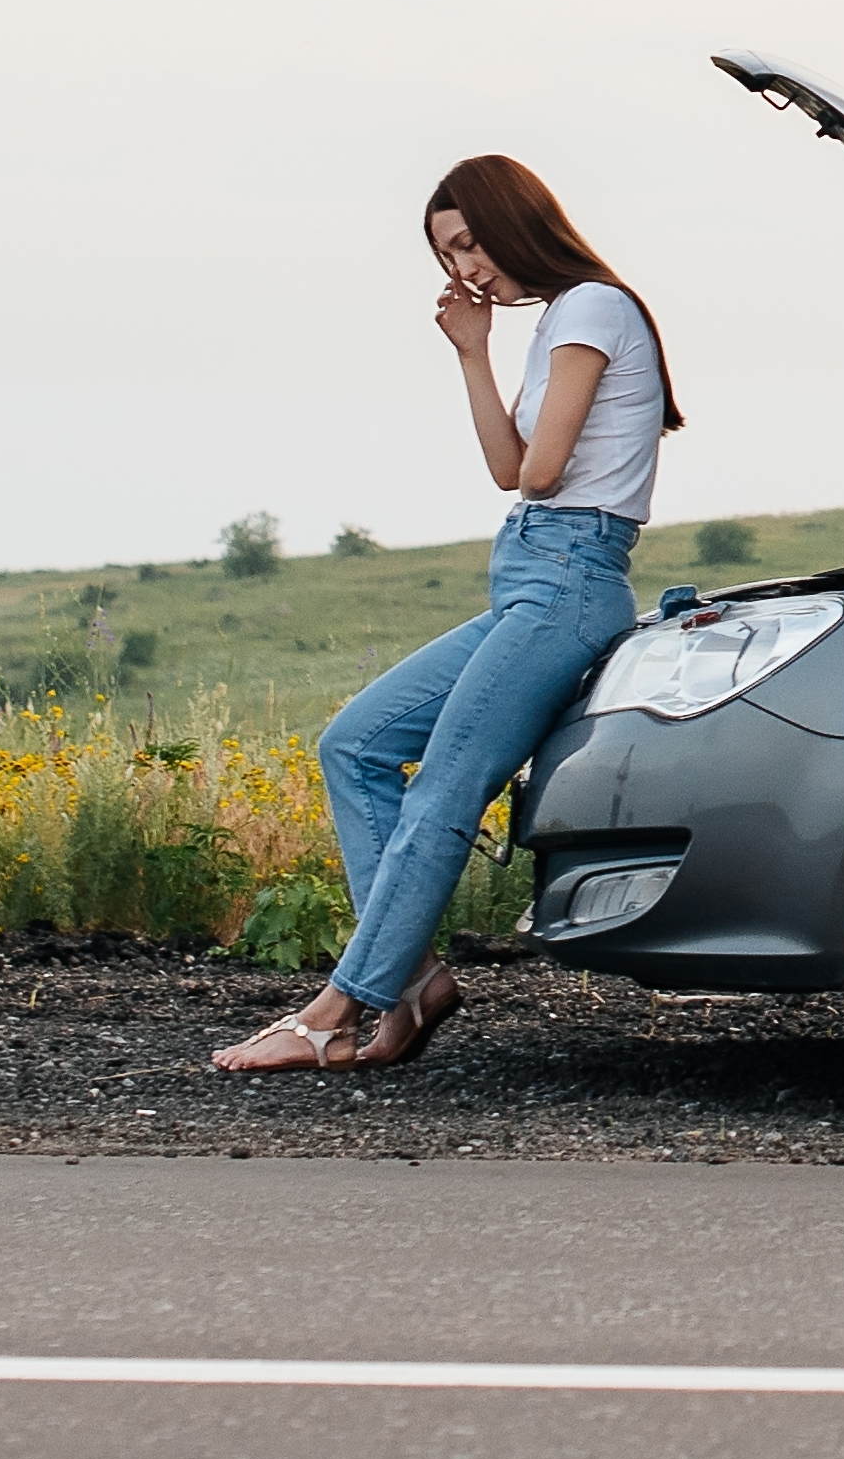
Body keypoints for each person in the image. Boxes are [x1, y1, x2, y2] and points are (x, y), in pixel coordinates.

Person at [211, 153, 682, 1074]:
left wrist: (521, 420)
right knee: (356, 742)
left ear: (514, 218)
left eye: (469, 242)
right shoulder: (557, 320)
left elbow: (542, 473)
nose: (464, 267)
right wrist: (474, 351)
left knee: (444, 788)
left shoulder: (593, 305)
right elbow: (508, 470)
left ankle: (336, 1011)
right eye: (448, 254)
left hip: (570, 579)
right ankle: (415, 981)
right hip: (531, 578)